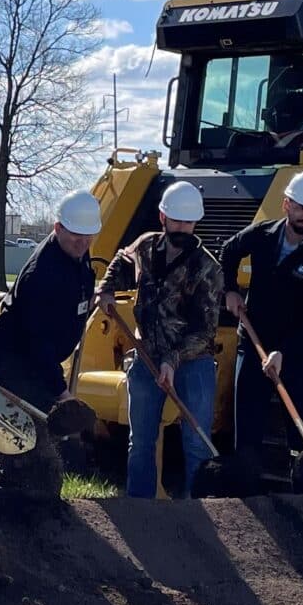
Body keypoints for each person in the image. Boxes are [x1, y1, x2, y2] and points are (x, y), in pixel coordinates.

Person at [97, 180, 225, 498]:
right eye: (177, 221)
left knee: (196, 442)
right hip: (146, 355)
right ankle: (140, 510)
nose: (183, 228)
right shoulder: (145, 246)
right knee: (140, 440)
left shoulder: (207, 268)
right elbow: (120, 261)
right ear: (162, 218)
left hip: (193, 363)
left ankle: (200, 510)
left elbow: (204, 330)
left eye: (189, 222)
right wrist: (107, 289)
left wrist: (172, 360)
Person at [215, 167, 303, 480]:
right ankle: (246, 502)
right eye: (301, 208)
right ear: (287, 204)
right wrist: (230, 289)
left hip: (297, 355)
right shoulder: (262, 235)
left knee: (301, 436)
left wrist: (284, 352)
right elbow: (228, 252)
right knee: (247, 429)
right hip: (253, 343)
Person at [0, 189, 101, 412]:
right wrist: (62, 392)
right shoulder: (40, 275)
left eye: (89, 235)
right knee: (27, 438)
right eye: (76, 235)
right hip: (20, 365)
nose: (83, 243)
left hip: (43, 361)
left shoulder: (76, 251)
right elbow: (38, 343)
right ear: (58, 228)